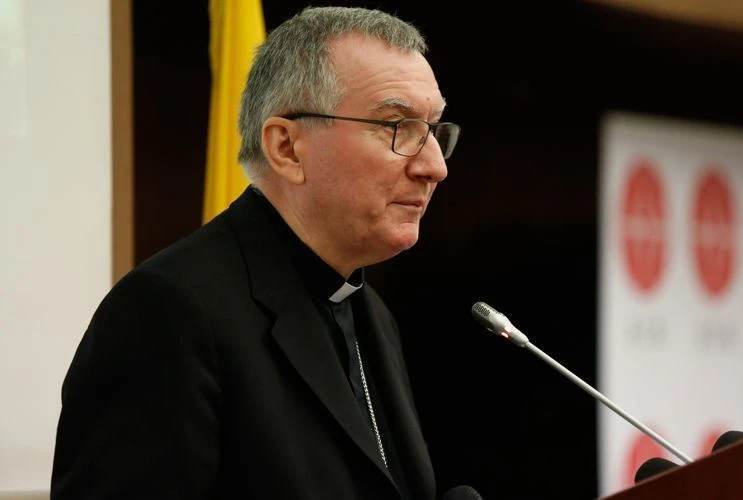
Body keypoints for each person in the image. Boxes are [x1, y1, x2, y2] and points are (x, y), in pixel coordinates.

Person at [50, 6, 460, 499]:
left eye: (433, 129)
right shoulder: (171, 311)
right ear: (286, 148)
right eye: (396, 126)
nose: (434, 166)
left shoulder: (370, 310)